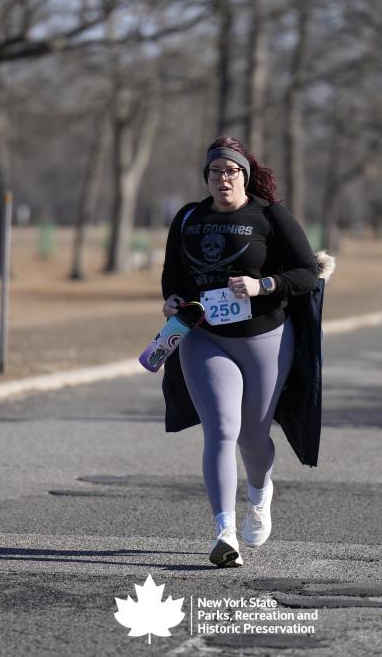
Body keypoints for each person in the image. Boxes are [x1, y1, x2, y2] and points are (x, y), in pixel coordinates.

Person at [159, 136, 320, 568]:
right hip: (204, 337)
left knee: (252, 436)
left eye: (230, 171)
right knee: (221, 430)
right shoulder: (189, 217)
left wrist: (262, 285)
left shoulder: (268, 216)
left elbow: (307, 272)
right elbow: (172, 273)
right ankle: (224, 531)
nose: (223, 179)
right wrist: (171, 299)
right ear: (207, 177)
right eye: (215, 172)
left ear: (244, 176)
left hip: (264, 339)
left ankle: (260, 495)